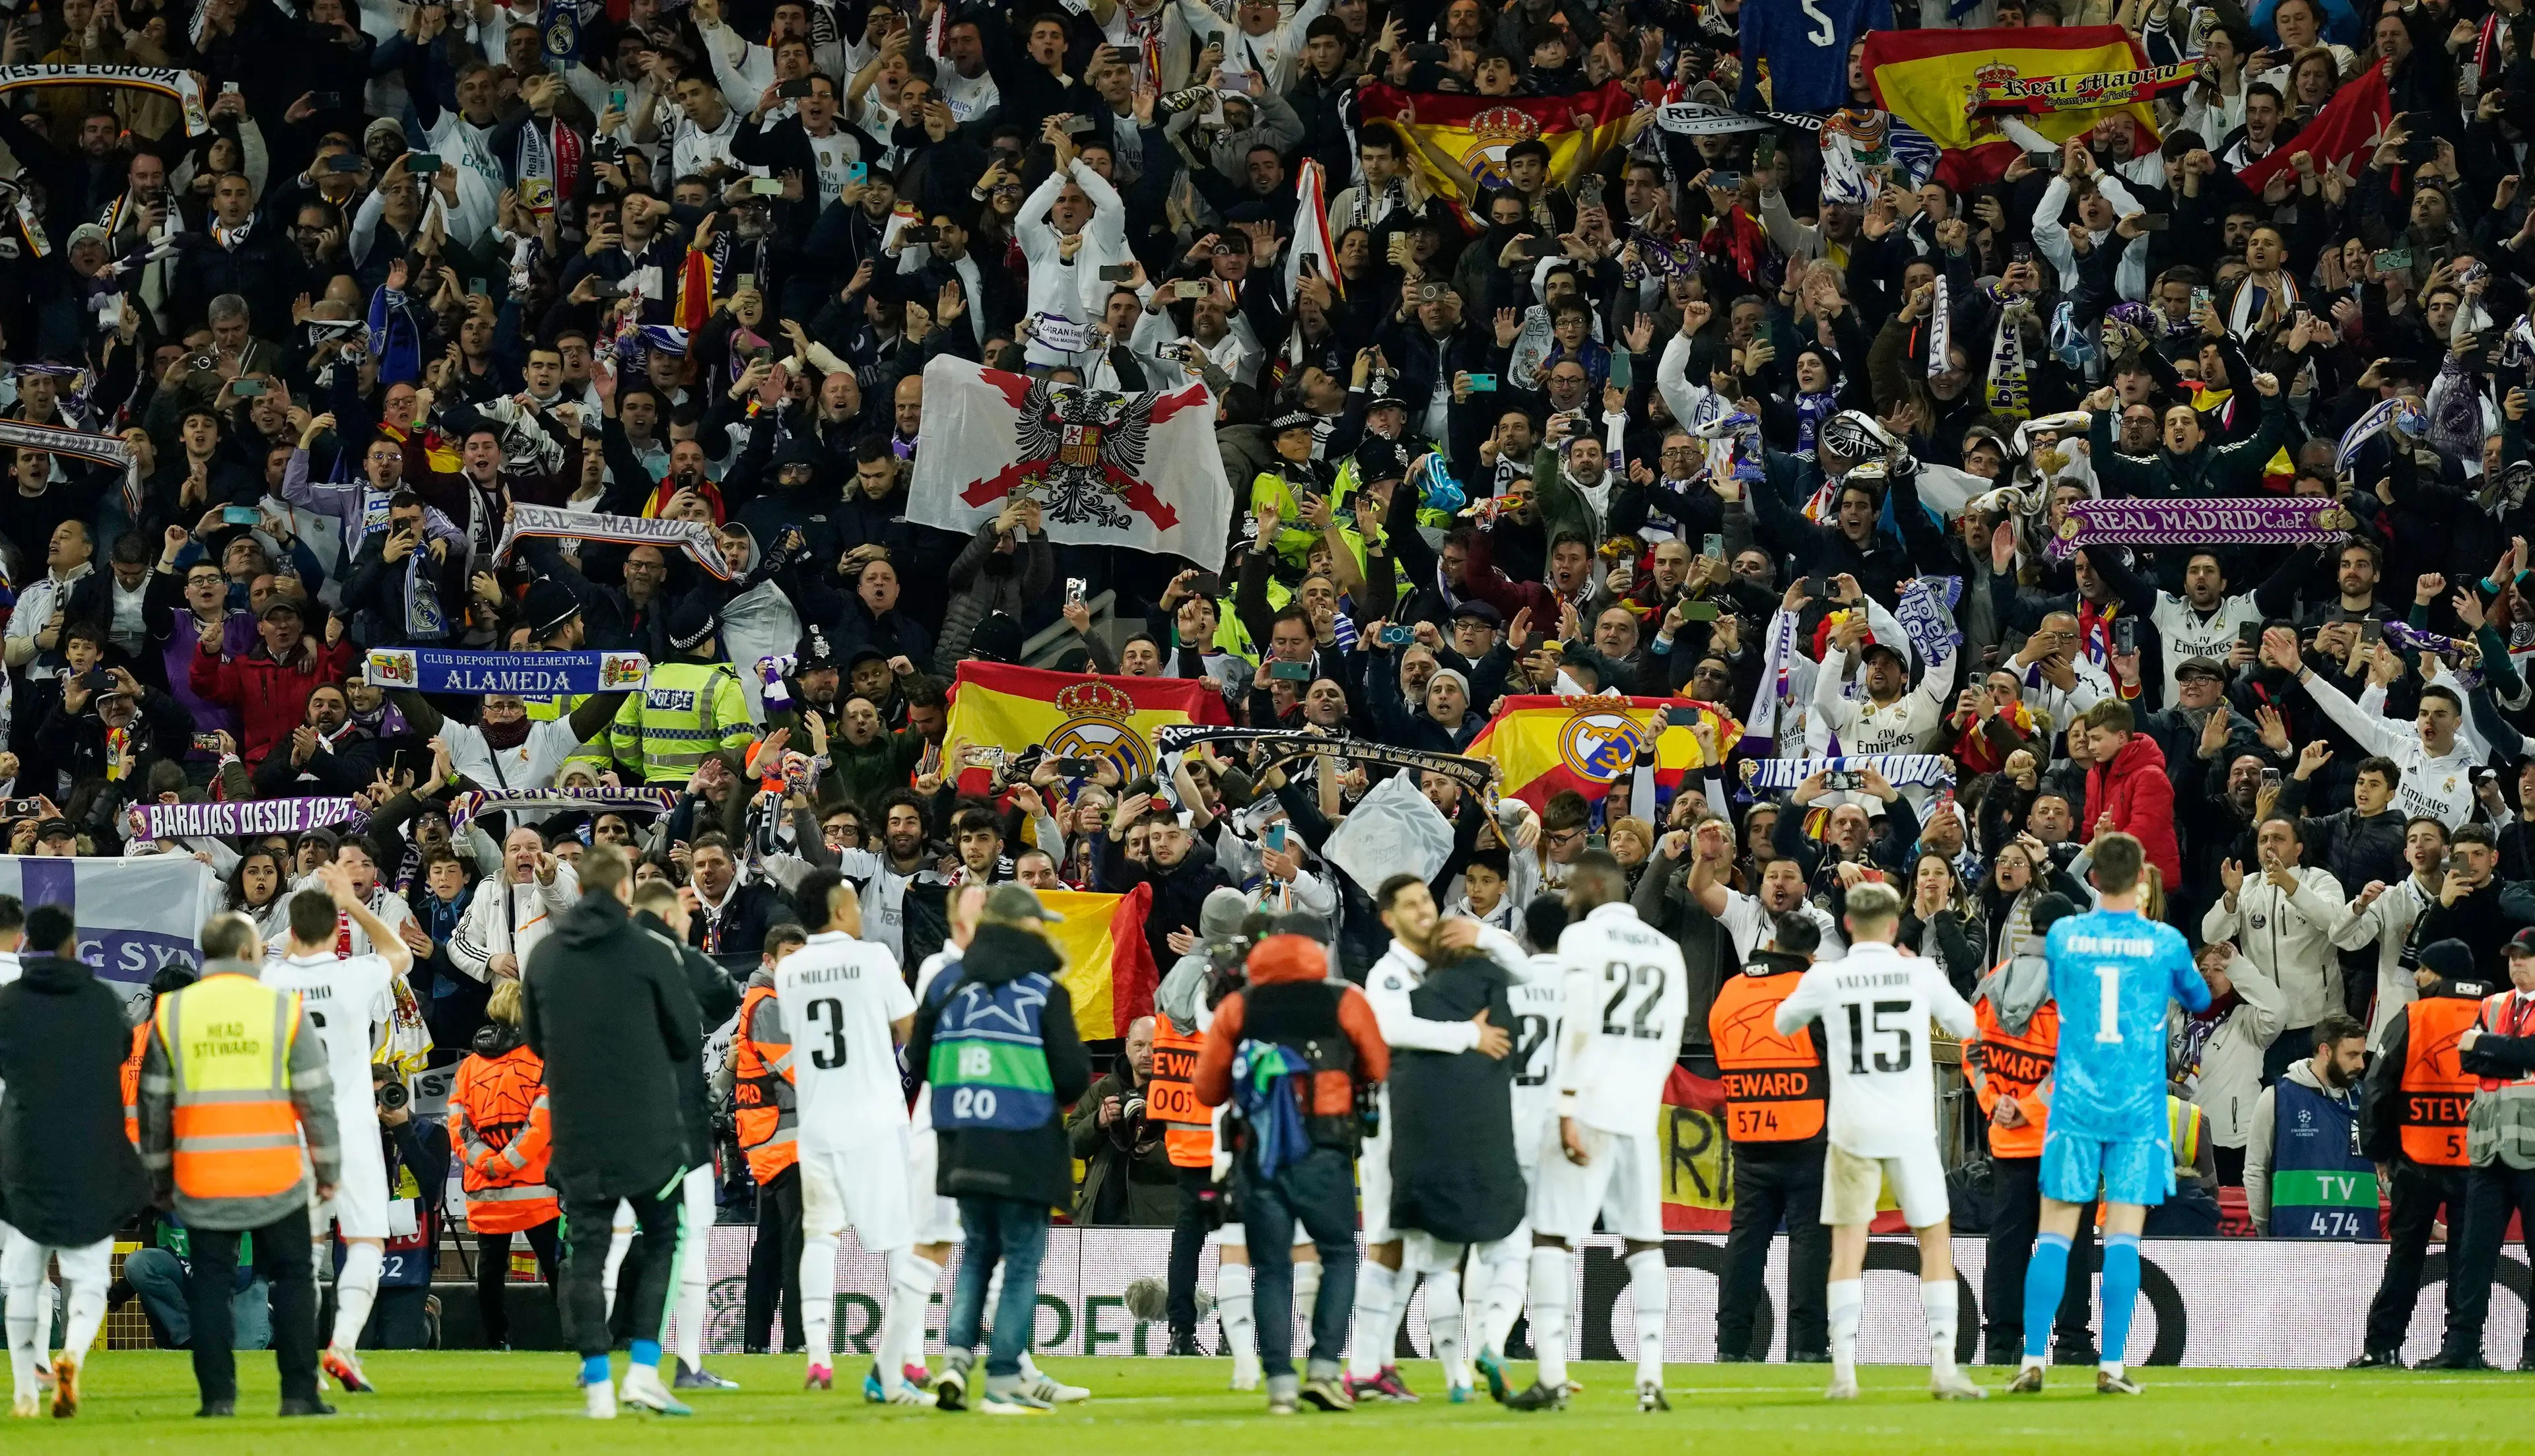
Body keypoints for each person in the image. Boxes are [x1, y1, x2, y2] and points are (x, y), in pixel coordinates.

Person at [1773, 880, 1984, 1401]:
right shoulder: (1919, 974)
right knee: (1934, 1241)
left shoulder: (1828, 976)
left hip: (1851, 1127)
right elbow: (1968, 1023)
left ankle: (1844, 1372)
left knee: (1848, 1246)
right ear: (1895, 926)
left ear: (1846, 925)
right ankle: (1942, 1369)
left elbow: (1782, 1022)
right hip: (1911, 1125)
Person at [2015, 833, 2212, 1395]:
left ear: (2094, 878)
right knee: (2123, 1238)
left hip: (2075, 1102)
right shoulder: (2165, 941)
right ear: (2143, 880)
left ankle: (2033, 1358)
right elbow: (2198, 1000)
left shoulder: (2065, 935)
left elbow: (2058, 989)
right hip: (2137, 1108)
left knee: (2054, 1233)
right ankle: (2112, 1365)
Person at [520, 842, 704, 1420]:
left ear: (581, 890)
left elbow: (533, 1041)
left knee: (588, 1253)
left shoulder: (547, 955)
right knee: (662, 1243)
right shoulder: (650, 951)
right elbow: (684, 1036)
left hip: (577, 1128)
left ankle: (598, 1385)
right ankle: (645, 1373)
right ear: (625, 889)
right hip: (648, 1129)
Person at [135, 911, 341, 1418]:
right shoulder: (281, 1010)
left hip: (203, 1177)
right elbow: (316, 1098)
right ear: (249, 953)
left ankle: (217, 1401)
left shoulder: (172, 1014)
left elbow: (154, 1106)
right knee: (294, 1280)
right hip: (275, 1174)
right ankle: (298, 1395)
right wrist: (329, 1169)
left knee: (209, 1284)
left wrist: (160, 1180)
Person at [1505, 850, 1685, 1413]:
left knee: (1552, 1238)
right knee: (1645, 1243)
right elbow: (1673, 1036)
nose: (1565, 895)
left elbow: (1579, 1026)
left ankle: (1553, 1375)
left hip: (1585, 1105)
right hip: (1638, 1110)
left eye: (1571, 885)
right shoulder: (1668, 950)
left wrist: (1565, 1108)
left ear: (1593, 886)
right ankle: (1652, 1379)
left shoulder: (1581, 941)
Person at [905, 883, 1093, 1416]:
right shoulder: (1043, 990)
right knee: (1021, 1265)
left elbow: (916, 1059)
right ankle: (1005, 1379)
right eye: (1038, 923)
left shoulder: (944, 982)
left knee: (976, 1257)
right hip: (1026, 1144)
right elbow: (1074, 1077)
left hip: (961, 1142)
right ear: (1022, 926)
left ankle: (957, 1365)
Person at [1193, 915, 1388, 1415]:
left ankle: (1279, 1382)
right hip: (1325, 1150)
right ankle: (1324, 1369)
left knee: (1272, 1268)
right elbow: (1379, 1067)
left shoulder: (1239, 1006)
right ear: (1317, 952)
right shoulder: (1346, 1000)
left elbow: (1208, 1089)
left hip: (1259, 1156)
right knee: (1340, 1254)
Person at [1350, 874, 1522, 1404]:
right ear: (1389, 918)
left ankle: (1377, 1367)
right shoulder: (1389, 973)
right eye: (1409, 905)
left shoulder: (1452, 958)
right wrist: (1470, 1033)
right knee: (1387, 1241)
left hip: (1438, 1121)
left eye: (1426, 900)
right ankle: (1362, 1366)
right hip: (1394, 1124)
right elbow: (1393, 1029)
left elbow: (1523, 969)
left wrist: (1482, 936)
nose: (1423, 911)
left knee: (1412, 1248)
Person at [775, 869, 935, 1405]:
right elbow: (912, 1031)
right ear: (839, 910)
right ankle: (908, 1354)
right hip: (875, 1117)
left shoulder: (789, 972)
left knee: (821, 1235)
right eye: (854, 902)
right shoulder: (874, 959)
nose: (862, 910)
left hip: (818, 1120)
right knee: (898, 1236)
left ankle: (818, 1355)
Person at [257, 860, 416, 1393]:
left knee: (307, 1252)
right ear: (337, 930)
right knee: (368, 1240)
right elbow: (401, 953)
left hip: (291, 1132)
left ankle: (304, 1361)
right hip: (349, 1129)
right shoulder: (353, 976)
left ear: (293, 931)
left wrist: (299, 921)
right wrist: (352, 903)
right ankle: (343, 1347)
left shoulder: (271, 981)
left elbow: (248, 953)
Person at [0, 906, 149, 1418]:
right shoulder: (103, 1002)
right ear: (72, 942)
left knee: (24, 1275)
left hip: (26, 1152)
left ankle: (24, 1388)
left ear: (27, 941)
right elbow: (122, 1049)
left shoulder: (8, 1003)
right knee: (86, 1275)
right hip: (93, 1149)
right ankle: (72, 1357)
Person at [1964, 892, 2101, 1367]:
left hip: (2007, 1138)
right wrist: (2029, 1106)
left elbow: (1973, 1051)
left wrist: (1995, 1103)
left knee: (2007, 1240)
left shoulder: (1993, 983)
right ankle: (2070, 1339)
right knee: (2069, 1240)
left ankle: (2001, 1340)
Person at [1707, 860, 1831, 1367]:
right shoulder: (1813, 989)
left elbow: (1721, 1048)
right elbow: (1833, 1057)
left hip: (1750, 1130)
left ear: (1774, 944)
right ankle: (1806, 1346)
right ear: (1812, 953)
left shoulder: (1733, 989)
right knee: (1808, 1242)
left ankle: (1732, 1345)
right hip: (1807, 1131)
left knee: (1746, 1241)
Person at [2352, 941, 2486, 1370]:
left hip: (2419, 1156)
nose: (2418, 978)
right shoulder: (2495, 1015)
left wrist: (2380, 1149)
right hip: (2479, 1160)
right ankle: (2462, 1349)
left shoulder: (2414, 1016)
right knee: (2468, 1263)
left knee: (2405, 1257)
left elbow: (2379, 1088)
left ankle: (2383, 1346)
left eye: (2425, 971)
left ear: (2442, 974)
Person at [2427, 927, 2535, 1372]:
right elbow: (2465, 1058)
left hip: (2531, 1150)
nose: (2516, 964)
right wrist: (2513, 1053)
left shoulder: (2488, 1014)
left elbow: (2508, 1050)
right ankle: (2462, 1347)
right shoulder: (2493, 1004)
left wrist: (2492, 1046)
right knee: (2472, 1252)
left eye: (2525, 957)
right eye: (2512, 957)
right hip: (2489, 1149)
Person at [446, 979, 561, 1352]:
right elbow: (542, 1123)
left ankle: (496, 1341)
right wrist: (510, 1161)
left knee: (491, 1271)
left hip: (485, 1191)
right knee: (558, 1269)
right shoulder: (542, 1059)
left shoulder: (467, 1068)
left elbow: (458, 1128)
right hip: (535, 1191)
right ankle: (573, 1340)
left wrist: (490, 1164)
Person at [2243, 1014, 2373, 1237]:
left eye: (2362, 1055)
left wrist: (2429, 1225)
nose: (2361, 1064)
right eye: (2352, 1055)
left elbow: (2388, 1172)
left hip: (2360, 1244)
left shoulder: (2368, 1100)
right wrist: (2264, 1231)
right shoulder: (2277, 1097)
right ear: (2326, 1051)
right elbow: (2256, 1170)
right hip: (2296, 1243)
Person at [1069, 1016, 1178, 1227]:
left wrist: (1152, 1150)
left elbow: (1197, 1163)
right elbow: (1070, 1144)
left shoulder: (1179, 1095)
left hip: (1156, 1220)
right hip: (1099, 1216)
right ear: (1127, 1047)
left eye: (1154, 1046)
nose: (1147, 1054)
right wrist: (1098, 1122)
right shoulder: (1103, 1089)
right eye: (1139, 1045)